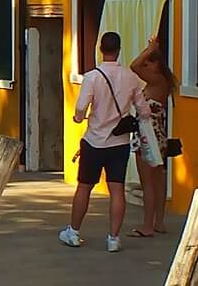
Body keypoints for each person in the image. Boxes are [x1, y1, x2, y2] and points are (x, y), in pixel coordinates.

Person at [59, 30, 146, 253]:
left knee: (84, 187)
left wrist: (78, 118)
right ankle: (113, 238)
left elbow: (81, 108)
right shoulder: (131, 77)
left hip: (94, 141)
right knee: (117, 189)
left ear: (101, 49)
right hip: (119, 142)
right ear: (119, 51)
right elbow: (143, 109)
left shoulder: (92, 77)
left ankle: (74, 232)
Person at [129, 34, 177, 238]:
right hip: (158, 136)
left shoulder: (156, 81)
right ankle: (158, 222)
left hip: (148, 136)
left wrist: (150, 48)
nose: (146, 65)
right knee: (157, 181)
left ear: (157, 65)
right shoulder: (162, 82)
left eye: (150, 62)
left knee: (148, 182)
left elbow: (134, 66)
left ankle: (148, 225)